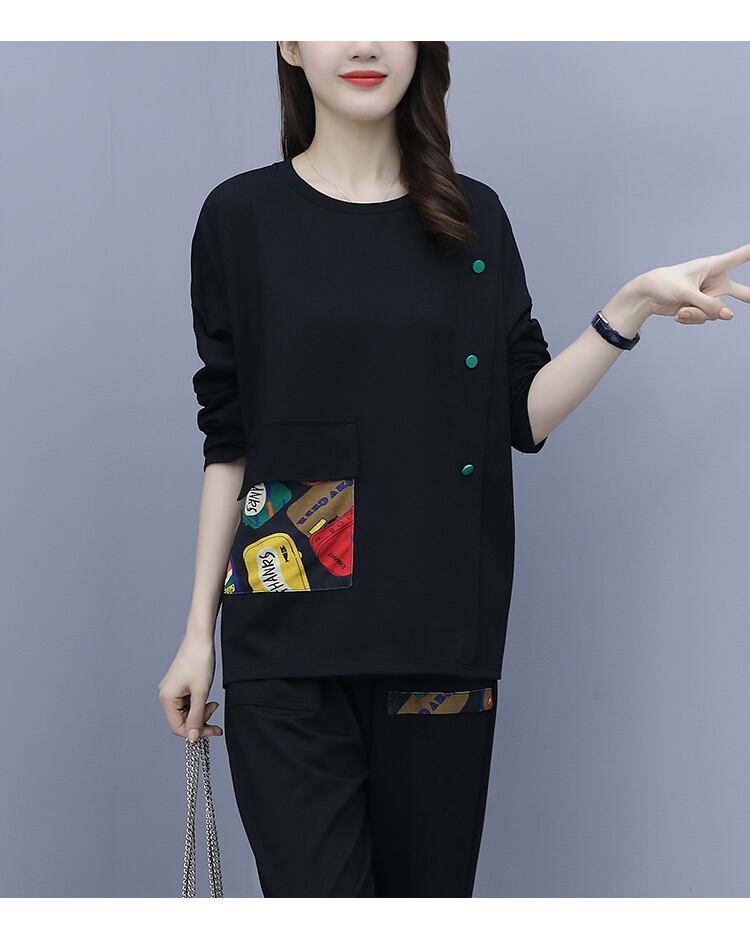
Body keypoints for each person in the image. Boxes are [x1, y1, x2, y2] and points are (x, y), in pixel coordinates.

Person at [158, 41, 749, 897]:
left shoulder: (474, 217)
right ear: (288, 41)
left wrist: (631, 308)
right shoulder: (239, 217)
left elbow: (521, 414)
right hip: (284, 644)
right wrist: (195, 636)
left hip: (438, 635)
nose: (366, 42)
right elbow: (230, 440)